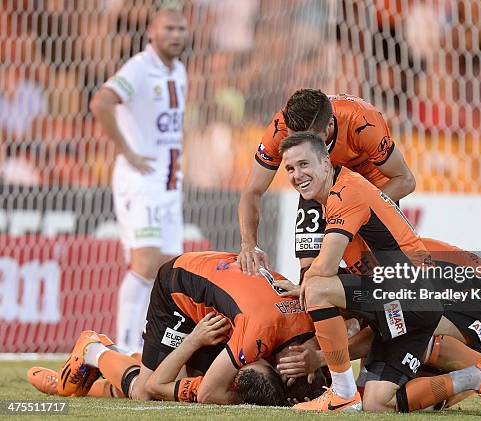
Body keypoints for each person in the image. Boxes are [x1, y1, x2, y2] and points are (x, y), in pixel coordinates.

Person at [277, 132, 481, 414]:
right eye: (289, 168)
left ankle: (342, 394)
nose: (297, 175)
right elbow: (374, 316)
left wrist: (306, 288)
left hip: (423, 292)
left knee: (319, 287)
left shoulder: (345, 192)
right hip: (407, 301)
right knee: (377, 402)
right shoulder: (340, 208)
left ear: (325, 163)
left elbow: (324, 268)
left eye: (303, 164)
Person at [30, 251, 319, 406]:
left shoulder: (314, 332)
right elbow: (200, 393)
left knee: (181, 377)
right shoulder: (255, 337)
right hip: (178, 288)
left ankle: (99, 383)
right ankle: (94, 350)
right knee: (146, 391)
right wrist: (193, 341)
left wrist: (317, 361)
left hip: (220, 292)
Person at [89, 6, 189, 352]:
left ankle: (152, 347)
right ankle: (124, 348)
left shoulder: (179, 72)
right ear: (151, 32)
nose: (176, 35)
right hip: (141, 180)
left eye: (181, 29)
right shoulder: (139, 67)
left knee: (167, 270)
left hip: (169, 185)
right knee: (144, 262)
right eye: (169, 29)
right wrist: (127, 151)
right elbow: (101, 102)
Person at [238, 89, 416, 275]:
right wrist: (249, 246)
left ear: (330, 125)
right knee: (309, 276)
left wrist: (352, 207)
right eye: (294, 140)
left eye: (310, 140)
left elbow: (405, 180)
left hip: (371, 187)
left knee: (375, 276)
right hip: (319, 185)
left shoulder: (363, 121)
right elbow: (252, 190)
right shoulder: (280, 127)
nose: (301, 148)